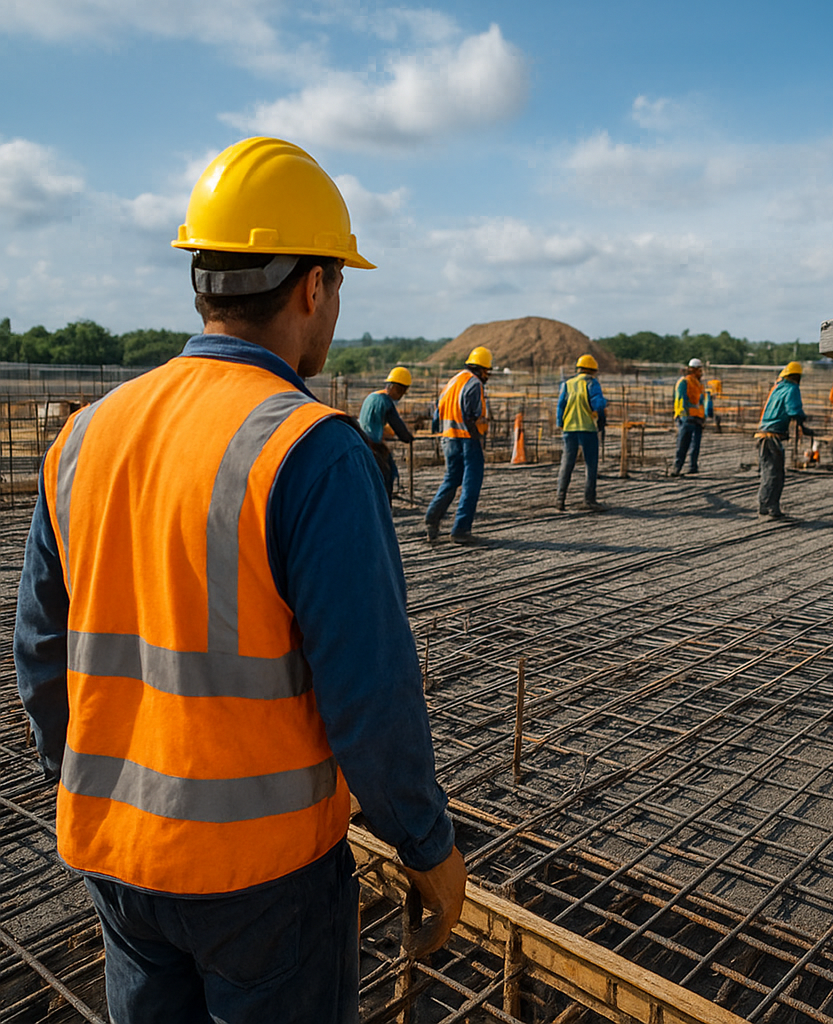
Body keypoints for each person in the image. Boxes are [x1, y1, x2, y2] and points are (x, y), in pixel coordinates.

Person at [12, 136, 465, 1024]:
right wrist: (426, 844)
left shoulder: (87, 435)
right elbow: (370, 693)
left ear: (202, 281)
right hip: (264, 880)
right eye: (340, 283)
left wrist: (89, 785)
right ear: (313, 286)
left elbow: (39, 654)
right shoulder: (312, 449)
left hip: (118, 862)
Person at [425, 347, 492, 544]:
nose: (488, 375)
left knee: (451, 479)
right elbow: (472, 415)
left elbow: (437, 414)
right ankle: (461, 529)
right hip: (467, 439)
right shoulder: (474, 383)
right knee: (471, 483)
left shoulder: (452, 382)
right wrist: (477, 439)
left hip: (448, 438)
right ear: (481, 369)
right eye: (488, 371)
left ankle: (432, 517)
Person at [755, 361, 815, 519]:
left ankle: (765, 505)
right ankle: (771, 506)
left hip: (764, 435)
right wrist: (802, 420)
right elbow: (793, 409)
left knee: (769, 471)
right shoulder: (792, 388)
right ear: (797, 376)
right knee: (774, 473)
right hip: (771, 437)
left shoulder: (777, 388)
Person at [556, 354, 608, 511]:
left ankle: (560, 499)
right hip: (587, 429)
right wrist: (605, 404)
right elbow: (597, 404)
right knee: (590, 465)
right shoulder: (592, 383)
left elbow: (560, 406)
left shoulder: (567, 384)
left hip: (569, 429)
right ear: (592, 370)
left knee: (567, 464)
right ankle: (589, 499)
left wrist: (560, 423)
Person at [359, 366, 416, 497]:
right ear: (396, 388)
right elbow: (398, 427)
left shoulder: (373, 396)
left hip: (363, 441)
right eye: (401, 391)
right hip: (373, 444)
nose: (401, 396)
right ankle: (385, 509)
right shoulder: (385, 401)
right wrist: (409, 438)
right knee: (386, 477)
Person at [671, 357, 707, 476]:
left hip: (695, 417)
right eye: (699, 370)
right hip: (689, 417)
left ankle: (690, 467)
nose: (701, 373)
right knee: (686, 443)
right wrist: (684, 415)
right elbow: (682, 399)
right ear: (695, 370)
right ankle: (680, 467)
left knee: (691, 444)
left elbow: (701, 401)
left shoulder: (697, 383)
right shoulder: (686, 382)